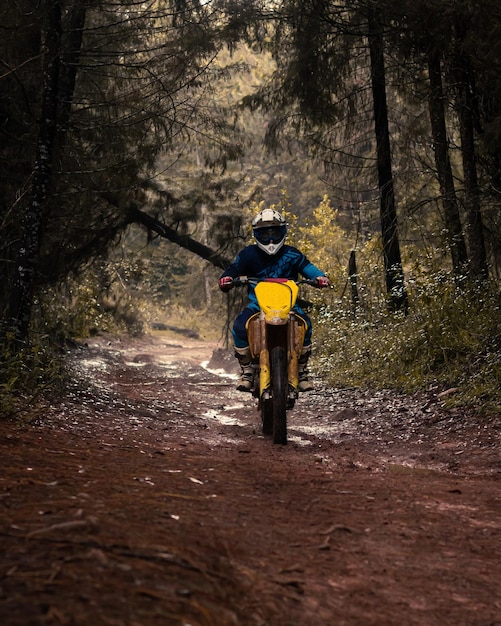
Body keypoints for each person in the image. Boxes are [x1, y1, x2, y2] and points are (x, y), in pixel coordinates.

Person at [218, 208, 330, 392]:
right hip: (258, 305)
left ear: (283, 232)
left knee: (306, 325)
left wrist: (320, 277)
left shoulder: (292, 254)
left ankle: (301, 371)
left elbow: (309, 268)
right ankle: (246, 371)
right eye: (265, 233)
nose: (270, 238)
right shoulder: (248, 254)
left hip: (289, 306)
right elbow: (233, 269)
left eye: (274, 232)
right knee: (239, 327)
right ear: (257, 234)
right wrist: (227, 279)